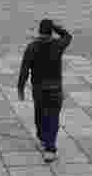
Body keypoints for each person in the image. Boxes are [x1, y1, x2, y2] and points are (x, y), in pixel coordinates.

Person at [17, 19, 73, 163]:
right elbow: (68, 36)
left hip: (39, 88)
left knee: (40, 114)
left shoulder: (32, 47)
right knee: (53, 117)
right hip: (55, 88)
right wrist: (56, 27)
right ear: (51, 31)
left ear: (39, 31)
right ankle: (50, 148)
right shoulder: (58, 45)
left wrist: (20, 88)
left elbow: (24, 69)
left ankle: (43, 138)